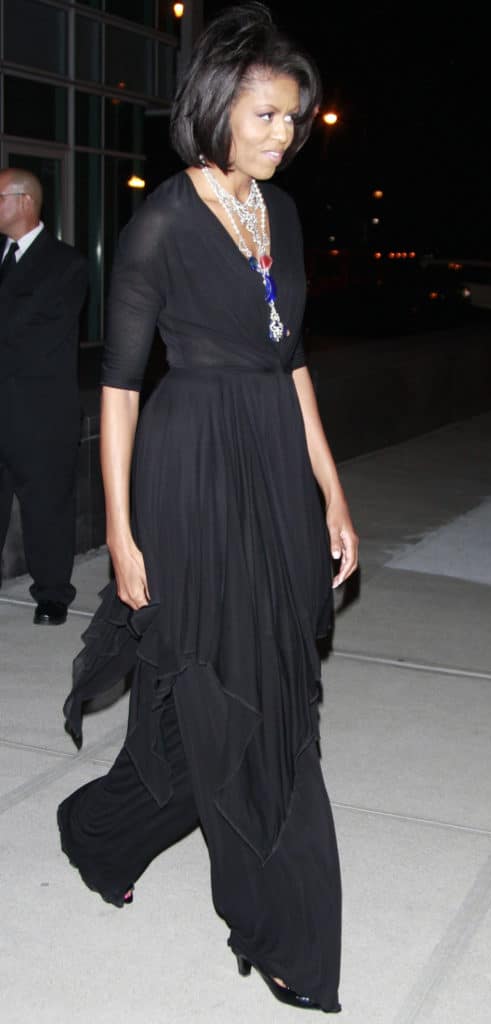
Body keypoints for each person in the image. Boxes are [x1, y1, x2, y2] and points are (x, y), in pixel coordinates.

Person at [57, 3, 358, 1013]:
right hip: (190, 470)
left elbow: (291, 357)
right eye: (267, 114)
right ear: (218, 106)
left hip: (272, 459)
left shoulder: (283, 216)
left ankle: (102, 834)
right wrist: (119, 530)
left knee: (244, 685)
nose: (285, 133)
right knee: (241, 691)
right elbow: (119, 389)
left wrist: (331, 490)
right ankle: (282, 925)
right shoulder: (162, 225)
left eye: (294, 118)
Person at [0, 168, 88, 625]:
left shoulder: (65, 264)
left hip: (40, 411)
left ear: (24, 202)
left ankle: (52, 593)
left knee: (47, 505)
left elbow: (33, 335)